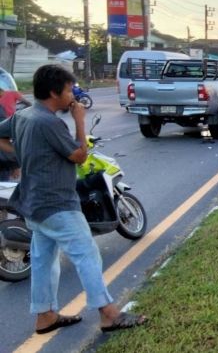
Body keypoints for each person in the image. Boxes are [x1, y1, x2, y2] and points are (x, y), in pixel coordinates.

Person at [0, 65, 146, 335]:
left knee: (44, 259)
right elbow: (79, 155)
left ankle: (45, 315)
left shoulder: (24, 116)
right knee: (87, 254)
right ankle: (108, 314)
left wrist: (22, 153)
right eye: (69, 90)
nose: (72, 95)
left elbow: (1, 135)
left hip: (33, 203)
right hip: (57, 204)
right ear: (55, 92)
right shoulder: (48, 122)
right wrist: (79, 119)